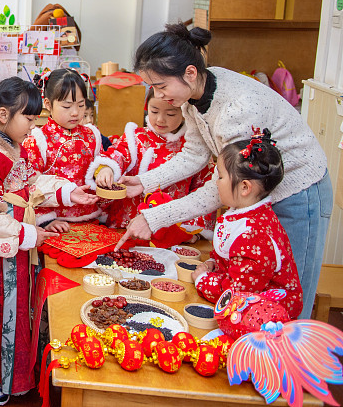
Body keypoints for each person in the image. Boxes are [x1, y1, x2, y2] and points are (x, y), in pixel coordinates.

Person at [116, 23, 330, 319]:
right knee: (253, 299)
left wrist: (154, 217)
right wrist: (143, 181)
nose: (158, 95)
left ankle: (284, 362)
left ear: (190, 73)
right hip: (257, 193)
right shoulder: (193, 95)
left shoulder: (237, 110)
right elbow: (193, 154)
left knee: (286, 300)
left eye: (162, 86)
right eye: (153, 87)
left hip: (297, 191)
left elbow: (223, 188)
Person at [0, 77, 82, 399]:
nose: (32, 126)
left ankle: (3, 374)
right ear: (4, 116)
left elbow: (32, 183)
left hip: (12, 242)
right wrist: (31, 233)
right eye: (29, 119)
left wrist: (70, 192)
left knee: (10, 309)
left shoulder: (6, 147)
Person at [193, 130, 302, 320]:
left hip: (263, 317)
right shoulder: (242, 214)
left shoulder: (254, 234)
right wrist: (214, 263)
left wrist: (203, 280)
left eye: (220, 177)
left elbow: (239, 295)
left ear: (244, 187)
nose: (216, 183)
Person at [94, 90, 215, 245]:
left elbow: (204, 188)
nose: (160, 119)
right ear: (146, 107)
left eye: (170, 114)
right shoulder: (135, 137)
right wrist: (108, 168)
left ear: (185, 112)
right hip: (126, 223)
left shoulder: (193, 147)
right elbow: (119, 153)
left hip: (172, 230)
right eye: (154, 111)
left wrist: (192, 230)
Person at [21, 68, 101, 226]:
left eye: (81, 105)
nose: (75, 113)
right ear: (48, 104)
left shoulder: (92, 135)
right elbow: (30, 184)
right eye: (67, 106)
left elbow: (98, 169)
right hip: (55, 222)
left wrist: (105, 170)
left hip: (91, 217)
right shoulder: (38, 139)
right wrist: (46, 220)